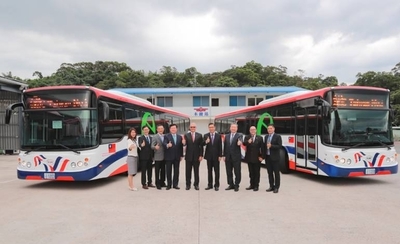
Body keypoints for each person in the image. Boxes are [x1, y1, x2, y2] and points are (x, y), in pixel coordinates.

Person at [243, 126, 264, 191]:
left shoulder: (260, 138)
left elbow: (262, 148)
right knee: (251, 172)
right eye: (251, 130)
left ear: (256, 130)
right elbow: (244, 144)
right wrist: (248, 142)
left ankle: (256, 186)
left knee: (256, 172)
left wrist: (262, 157)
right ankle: (251, 185)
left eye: (253, 129)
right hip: (249, 158)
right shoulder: (247, 137)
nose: (252, 131)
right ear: (249, 131)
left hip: (257, 158)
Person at [183, 123, 203, 190]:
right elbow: (184, 144)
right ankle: (188, 184)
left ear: (195, 128)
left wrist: (201, 155)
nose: (192, 128)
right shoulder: (186, 135)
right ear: (189, 128)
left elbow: (201, 146)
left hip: (196, 157)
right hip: (188, 156)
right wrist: (184, 143)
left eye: (194, 127)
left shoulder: (199, 135)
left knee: (196, 171)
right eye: (191, 127)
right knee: (188, 171)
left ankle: (196, 184)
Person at [223, 123, 243, 192]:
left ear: (237, 129)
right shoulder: (227, 136)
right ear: (230, 128)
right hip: (228, 157)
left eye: (234, 127)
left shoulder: (239, 135)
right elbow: (225, 146)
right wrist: (224, 155)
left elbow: (240, 140)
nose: (233, 128)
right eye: (232, 127)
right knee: (229, 172)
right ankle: (231, 184)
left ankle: (236, 185)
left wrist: (239, 142)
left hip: (236, 157)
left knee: (237, 172)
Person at [163, 124, 184, 190]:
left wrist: (181, 155)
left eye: (174, 128)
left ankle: (175, 184)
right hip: (169, 157)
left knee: (176, 171)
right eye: (172, 128)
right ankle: (169, 185)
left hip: (177, 157)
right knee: (168, 171)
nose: (173, 129)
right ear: (170, 129)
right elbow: (164, 143)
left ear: (176, 129)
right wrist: (167, 145)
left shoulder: (179, 137)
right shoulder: (166, 136)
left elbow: (181, 147)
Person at [203, 122, 222, 191]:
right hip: (209, 156)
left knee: (217, 171)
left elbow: (220, 146)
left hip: (216, 156)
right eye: (210, 127)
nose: (211, 128)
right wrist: (206, 142)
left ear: (214, 128)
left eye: (212, 127)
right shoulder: (206, 135)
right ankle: (209, 185)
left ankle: (216, 185)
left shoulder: (218, 136)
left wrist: (220, 155)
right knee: (209, 171)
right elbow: (202, 144)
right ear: (208, 128)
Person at [264, 124, 282, 193]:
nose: (269, 130)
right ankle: (271, 186)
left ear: (274, 129)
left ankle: (276, 187)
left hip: (275, 158)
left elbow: (279, 146)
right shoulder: (266, 137)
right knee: (269, 173)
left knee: (276, 173)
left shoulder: (277, 136)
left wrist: (271, 146)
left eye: (271, 128)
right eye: (268, 128)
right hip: (268, 157)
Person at [151, 124, 166, 190]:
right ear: (157, 130)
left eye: (162, 128)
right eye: (159, 129)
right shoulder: (155, 137)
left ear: (163, 129)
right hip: (157, 156)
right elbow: (151, 146)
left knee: (163, 170)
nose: (160, 130)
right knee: (157, 171)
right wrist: (155, 147)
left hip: (164, 156)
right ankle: (158, 184)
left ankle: (162, 182)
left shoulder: (165, 136)